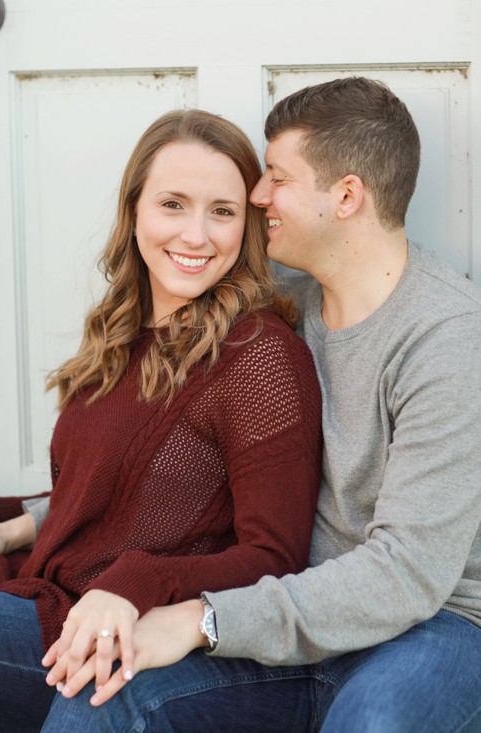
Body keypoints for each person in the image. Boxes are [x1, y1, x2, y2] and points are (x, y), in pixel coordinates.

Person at [42, 77, 481, 733]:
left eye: (276, 176)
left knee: (375, 722)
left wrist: (201, 618)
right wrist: (32, 520)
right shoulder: (289, 305)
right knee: (111, 689)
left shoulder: (447, 339)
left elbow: (405, 575)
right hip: (293, 621)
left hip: (432, 625)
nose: (256, 195)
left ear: (347, 196)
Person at [0, 109, 324, 732]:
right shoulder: (118, 336)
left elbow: (276, 555)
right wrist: (9, 523)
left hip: (121, 619)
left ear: (247, 225)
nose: (196, 235)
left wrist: (141, 579)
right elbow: (106, 495)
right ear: (135, 210)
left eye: (222, 211)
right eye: (173, 204)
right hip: (54, 595)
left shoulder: (256, 352)